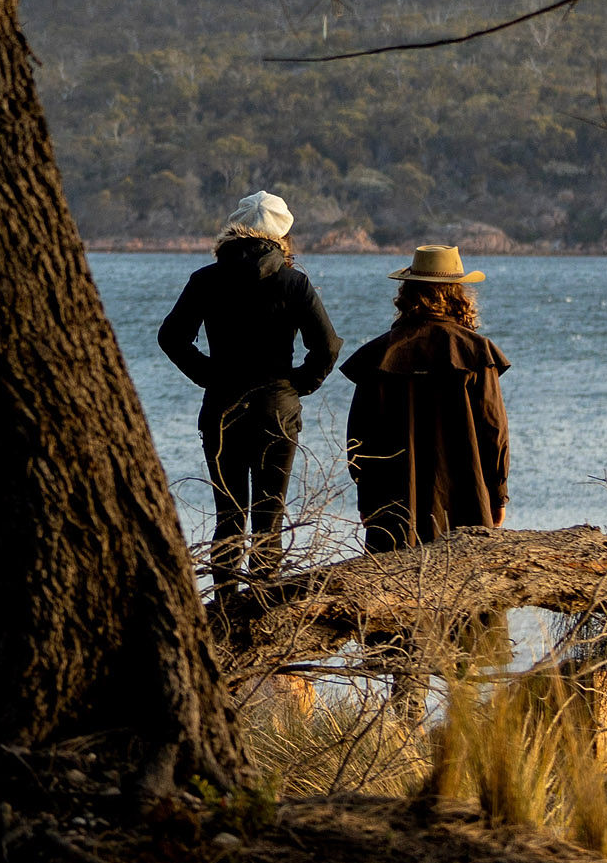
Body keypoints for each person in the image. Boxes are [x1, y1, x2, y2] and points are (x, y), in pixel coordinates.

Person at [156, 191, 340, 589]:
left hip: (222, 406)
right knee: (269, 516)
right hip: (277, 409)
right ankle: (261, 601)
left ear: (233, 233)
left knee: (229, 516)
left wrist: (208, 375)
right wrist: (297, 385)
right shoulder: (294, 282)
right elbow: (327, 346)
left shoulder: (206, 279)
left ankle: (224, 602)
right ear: (281, 237)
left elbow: (171, 337)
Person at [342, 245, 513, 552]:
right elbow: (493, 430)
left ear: (408, 293)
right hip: (467, 498)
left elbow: (360, 438)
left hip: (392, 502)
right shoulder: (476, 352)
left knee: (392, 579)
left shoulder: (380, 354)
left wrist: (366, 498)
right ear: (458, 294)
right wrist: (498, 494)